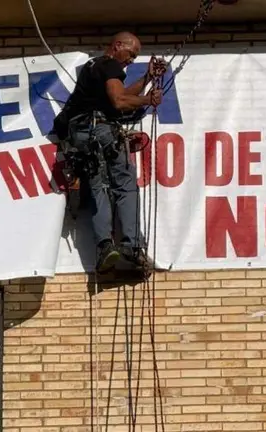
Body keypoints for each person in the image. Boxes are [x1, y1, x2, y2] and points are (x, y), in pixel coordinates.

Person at [52, 31, 165, 274]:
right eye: (131, 54)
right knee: (125, 184)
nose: (131, 60)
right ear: (117, 46)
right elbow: (120, 102)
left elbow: (123, 95)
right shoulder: (109, 64)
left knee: (98, 187)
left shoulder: (94, 68)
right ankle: (132, 246)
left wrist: (147, 78)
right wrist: (148, 100)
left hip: (82, 136)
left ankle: (105, 246)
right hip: (100, 130)